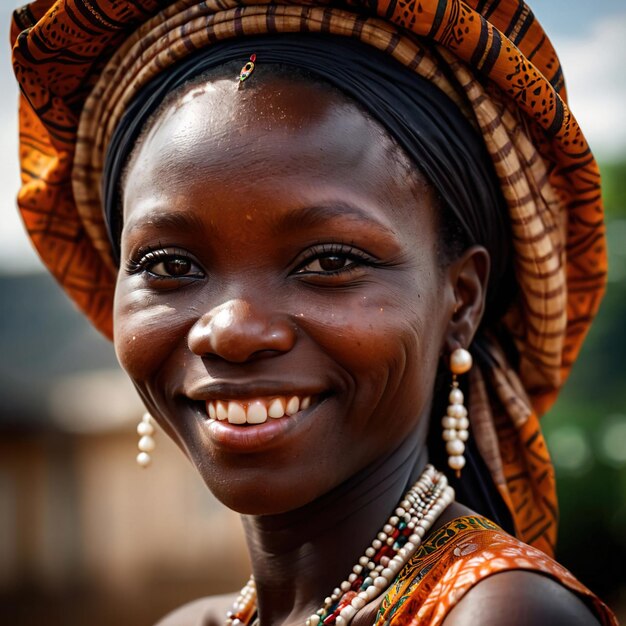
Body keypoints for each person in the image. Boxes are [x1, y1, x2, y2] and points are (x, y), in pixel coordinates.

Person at [10, 1, 618, 625]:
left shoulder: (500, 614)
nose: (232, 330)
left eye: (329, 263)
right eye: (169, 265)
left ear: (461, 300)